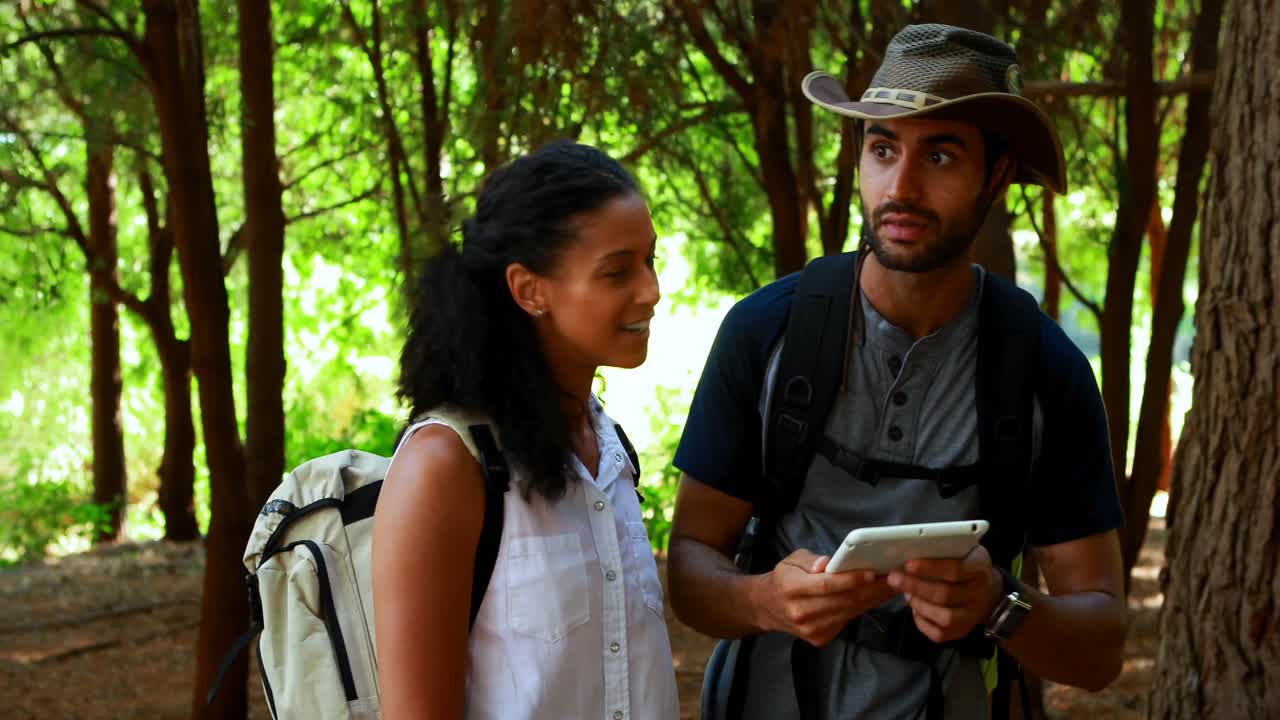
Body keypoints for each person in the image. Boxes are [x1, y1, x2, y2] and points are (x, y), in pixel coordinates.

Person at [668, 24, 1128, 719]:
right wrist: (763, 599)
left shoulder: (1044, 370)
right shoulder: (766, 333)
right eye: (883, 149)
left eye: (940, 155)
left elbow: (1100, 651)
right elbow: (691, 569)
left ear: (997, 175)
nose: (902, 185)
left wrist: (999, 605)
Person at [372, 140, 679, 720]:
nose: (651, 290)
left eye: (650, 260)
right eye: (617, 271)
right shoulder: (446, 466)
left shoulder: (609, 449)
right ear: (529, 290)